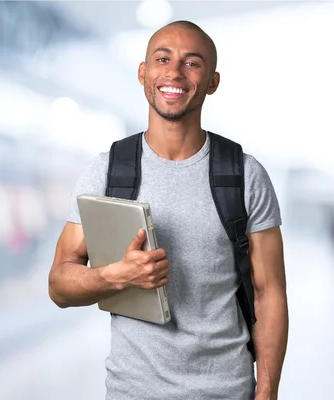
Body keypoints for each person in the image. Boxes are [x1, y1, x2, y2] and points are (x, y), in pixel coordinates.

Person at [48, 20, 288, 400]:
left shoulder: (245, 174)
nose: (174, 71)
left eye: (192, 63)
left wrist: (267, 392)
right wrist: (116, 276)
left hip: (226, 391)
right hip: (132, 391)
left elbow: (269, 292)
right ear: (144, 73)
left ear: (212, 81)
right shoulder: (108, 169)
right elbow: (59, 285)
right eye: (162, 59)